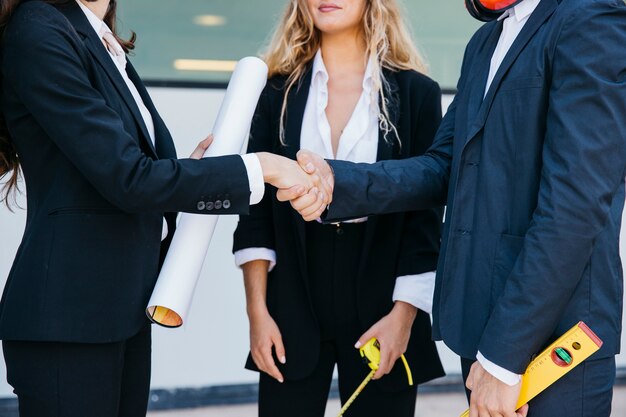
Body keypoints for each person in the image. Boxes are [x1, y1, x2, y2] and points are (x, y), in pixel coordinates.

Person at [282, 0, 626, 416]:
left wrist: (503, 358)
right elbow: (443, 165)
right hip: (483, 329)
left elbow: (576, 208)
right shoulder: (485, 41)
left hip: (551, 344)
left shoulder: (591, 20)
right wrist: (337, 181)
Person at [0, 1, 330, 416]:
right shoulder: (40, 26)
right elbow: (129, 178)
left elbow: (131, 173)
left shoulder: (100, 39)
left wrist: (188, 175)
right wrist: (260, 168)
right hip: (70, 319)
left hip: (119, 310)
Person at [232, 1, 444, 416]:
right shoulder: (276, 92)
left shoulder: (417, 94)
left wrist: (404, 317)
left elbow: (426, 217)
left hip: (385, 294)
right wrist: (257, 312)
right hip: (293, 291)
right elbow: (255, 211)